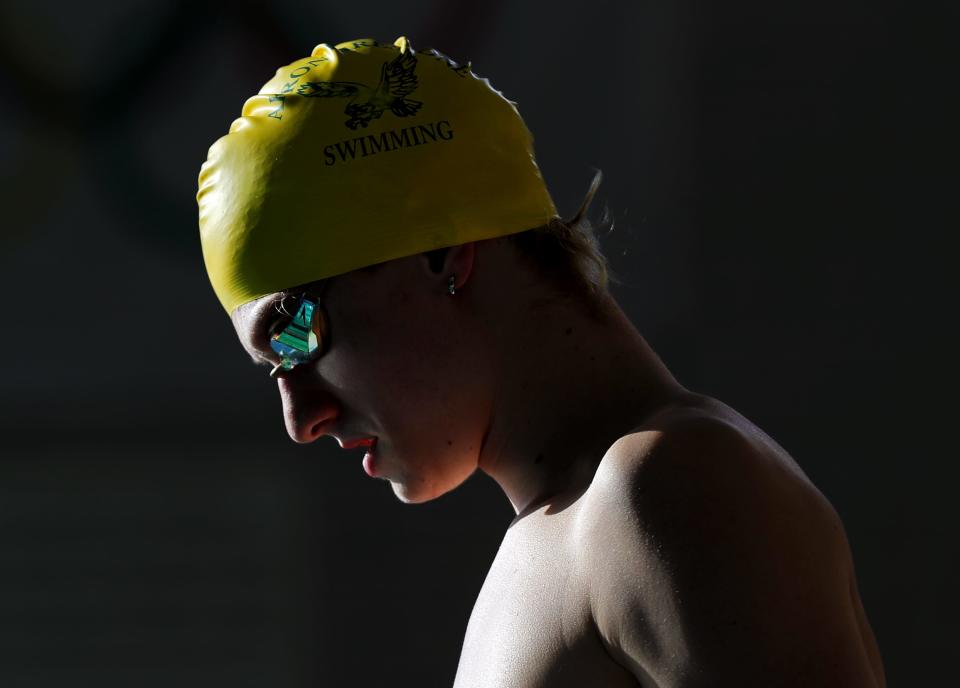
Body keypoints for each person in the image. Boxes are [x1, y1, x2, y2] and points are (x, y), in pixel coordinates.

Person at [198, 37, 886, 687]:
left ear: (439, 252)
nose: (301, 419)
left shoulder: (667, 486)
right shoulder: (567, 528)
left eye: (293, 335)